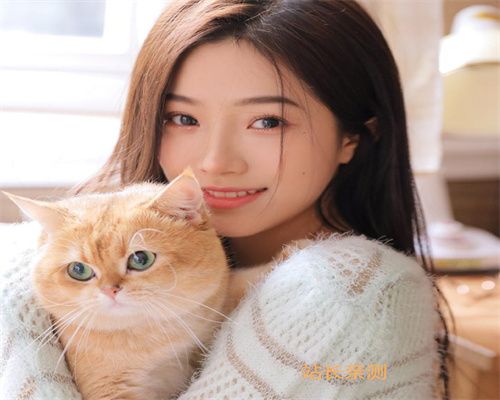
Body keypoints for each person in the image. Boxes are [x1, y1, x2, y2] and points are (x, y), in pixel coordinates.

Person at [0, 0, 454, 399]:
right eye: (182, 117)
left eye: (267, 122)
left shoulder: (351, 293)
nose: (215, 162)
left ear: (352, 136)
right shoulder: (69, 247)